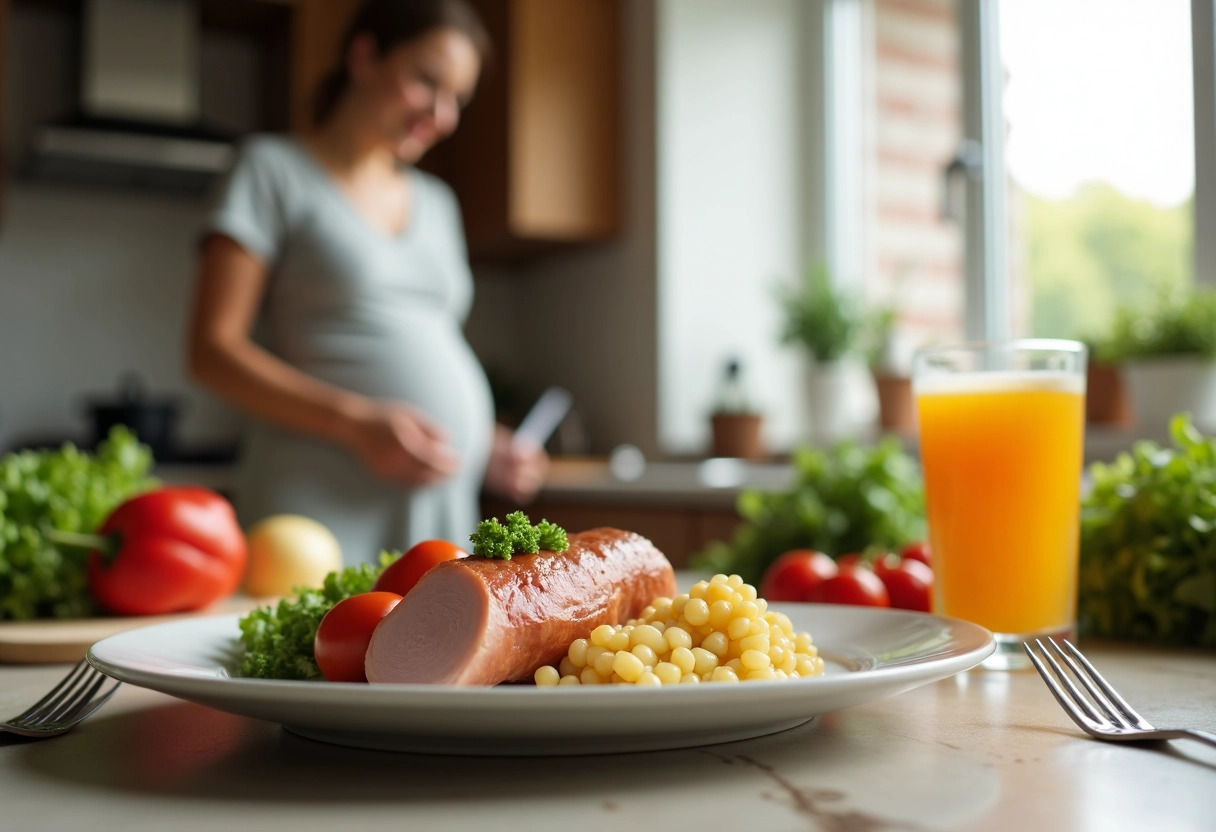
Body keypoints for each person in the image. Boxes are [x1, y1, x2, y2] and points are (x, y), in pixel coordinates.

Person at [187, 0, 547, 564]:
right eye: (427, 81)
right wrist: (356, 423)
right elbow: (211, 351)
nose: (443, 114)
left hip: (438, 505)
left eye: (458, 98)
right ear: (365, 55)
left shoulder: (437, 202)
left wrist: (486, 445)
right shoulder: (271, 170)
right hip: (316, 504)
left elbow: (427, 341)